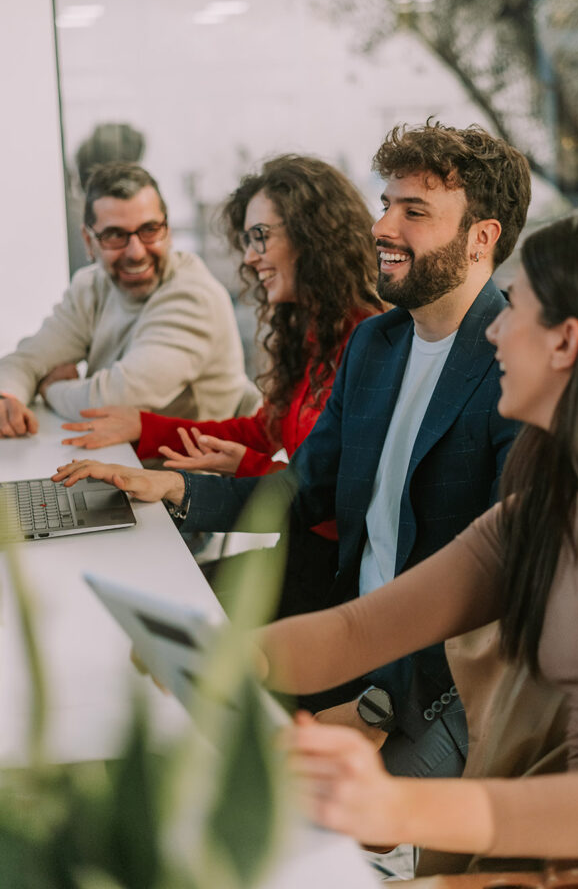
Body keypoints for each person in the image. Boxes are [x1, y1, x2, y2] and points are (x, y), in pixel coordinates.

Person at [52, 122, 531, 779]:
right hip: (347, 637)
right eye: (385, 203)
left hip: (433, 689)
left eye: (412, 210)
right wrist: (174, 487)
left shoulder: (515, 365)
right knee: (143, 682)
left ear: (483, 237)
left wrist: (375, 708)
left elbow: (501, 592)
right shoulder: (378, 346)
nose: (382, 227)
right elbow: (304, 490)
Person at [258, 208, 578, 865]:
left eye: (513, 310)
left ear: (566, 342)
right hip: (544, 854)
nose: (496, 332)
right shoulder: (547, 507)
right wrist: (220, 660)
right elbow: (358, 632)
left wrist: (394, 803)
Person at [61, 154, 383, 614]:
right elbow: (262, 431)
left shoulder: (366, 341)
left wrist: (237, 468)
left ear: (314, 237)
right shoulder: (313, 330)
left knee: (157, 607)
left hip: (334, 575)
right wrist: (143, 428)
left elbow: (330, 503)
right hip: (298, 551)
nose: (250, 257)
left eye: (260, 237)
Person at [0, 162, 256, 435]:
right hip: (123, 460)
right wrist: (8, 399)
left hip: (187, 473)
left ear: (167, 232)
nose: (136, 252)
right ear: (89, 242)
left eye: (149, 230)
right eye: (115, 235)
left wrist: (51, 388)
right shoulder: (91, 286)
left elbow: (115, 401)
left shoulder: (193, 297)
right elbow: (26, 360)